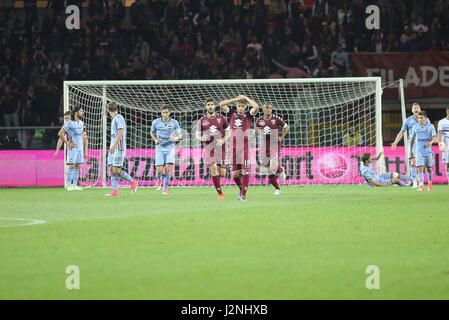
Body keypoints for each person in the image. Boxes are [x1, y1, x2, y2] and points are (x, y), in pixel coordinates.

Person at [219, 95, 259, 201]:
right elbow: (221, 104)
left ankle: (243, 195)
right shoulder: (232, 113)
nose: (241, 108)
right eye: (239, 106)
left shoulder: (248, 115)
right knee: (234, 174)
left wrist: (247, 98)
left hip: (244, 148)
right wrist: (235, 99)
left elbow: (256, 106)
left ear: (245, 107)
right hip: (233, 148)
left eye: (243, 106)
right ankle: (241, 190)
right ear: (236, 106)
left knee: (245, 171)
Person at [196, 98, 231, 200]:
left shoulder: (222, 118)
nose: (210, 106)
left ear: (214, 106)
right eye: (208, 105)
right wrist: (202, 138)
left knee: (223, 174)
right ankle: (220, 194)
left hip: (221, 149)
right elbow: (197, 135)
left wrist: (223, 140)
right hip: (209, 148)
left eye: (212, 104)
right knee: (214, 168)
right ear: (205, 107)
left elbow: (229, 132)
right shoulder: (201, 120)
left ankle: (216, 181)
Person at [391, 103, 430, 188]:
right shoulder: (408, 120)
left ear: (420, 110)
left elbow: (430, 131)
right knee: (413, 163)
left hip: (422, 144)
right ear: (412, 110)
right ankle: (414, 182)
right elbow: (402, 132)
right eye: (414, 108)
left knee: (421, 165)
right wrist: (395, 142)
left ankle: (420, 182)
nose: (416, 109)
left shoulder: (426, 120)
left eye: (417, 108)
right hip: (412, 145)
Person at [104, 102, 138, 196]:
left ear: (108, 110)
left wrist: (114, 146)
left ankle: (132, 182)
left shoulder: (118, 118)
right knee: (111, 168)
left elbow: (120, 133)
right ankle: (115, 190)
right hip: (113, 147)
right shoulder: (114, 118)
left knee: (116, 170)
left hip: (119, 148)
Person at [254, 103, 288, 195]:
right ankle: (280, 171)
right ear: (263, 109)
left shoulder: (276, 119)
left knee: (272, 168)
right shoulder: (259, 120)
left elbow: (286, 126)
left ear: (271, 109)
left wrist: (282, 137)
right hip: (264, 145)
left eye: (269, 108)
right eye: (266, 108)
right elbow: (256, 131)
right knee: (267, 168)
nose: (268, 110)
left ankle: (277, 190)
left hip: (274, 144)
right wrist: (255, 132)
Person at [150, 105, 182, 195]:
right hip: (160, 147)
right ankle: (158, 179)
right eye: (163, 112)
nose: (165, 114)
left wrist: (176, 138)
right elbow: (151, 132)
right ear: (161, 113)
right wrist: (155, 139)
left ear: (169, 113)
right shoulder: (156, 122)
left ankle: (165, 188)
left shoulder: (175, 123)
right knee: (159, 170)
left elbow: (180, 135)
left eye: (166, 112)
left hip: (170, 147)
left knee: (168, 169)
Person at [57, 106, 88, 191]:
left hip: (80, 148)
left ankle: (75, 185)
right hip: (72, 148)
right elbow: (60, 134)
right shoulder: (69, 123)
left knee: (77, 166)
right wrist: (67, 143)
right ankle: (69, 185)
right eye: (81, 111)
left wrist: (85, 149)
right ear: (76, 113)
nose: (83, 112)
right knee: (71, 166)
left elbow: (84, 137)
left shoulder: (81, 123)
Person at [410, 111, 438, 191]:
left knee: (429, 168)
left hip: (428, 151)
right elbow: (412, 140)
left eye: (421, 118)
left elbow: (434, 138)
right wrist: (411, 151)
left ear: (425, 118)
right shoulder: (415, 127)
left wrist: (431, 142)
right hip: (418, 151)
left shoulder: (431, 127)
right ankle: (421, 186)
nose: (419, 119)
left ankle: (430, 184)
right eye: (418, 118)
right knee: (420, 168)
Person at [437, 107, 449, 185]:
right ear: (447, 112)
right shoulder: (442, 122)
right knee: (448, 164)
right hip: (446, 146)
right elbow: (439, 134)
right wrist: (440, 144)